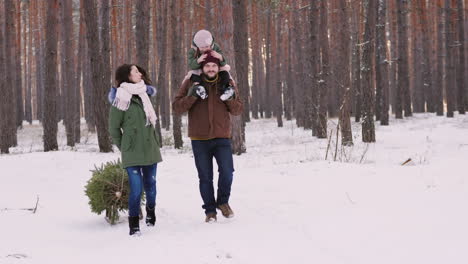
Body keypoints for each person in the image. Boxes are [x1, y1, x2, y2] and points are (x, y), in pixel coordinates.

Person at [172, 53, 243, 223]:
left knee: (227, 172)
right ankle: (210, 211)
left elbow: (238, 110)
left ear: (218, 68)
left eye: (214, 66)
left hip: (222, 137)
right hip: (199, 138)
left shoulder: (227, 82)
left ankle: (223, 202)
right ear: (202, 68)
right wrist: (193, 95)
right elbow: (176, 107)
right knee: (205, 177)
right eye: (207, 66)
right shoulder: (191, 82)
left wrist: (229, 97)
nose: (211, 69)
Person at [108, 64, 163, 236]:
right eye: (136, 71)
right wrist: (124, 146)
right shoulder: (120, 98)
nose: (140, 73)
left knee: (151, 186)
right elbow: (114, 129)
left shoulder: (144, 94)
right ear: (127, 76)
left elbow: (152, 122)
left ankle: (151, 212)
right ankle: (134, 225)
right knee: (136, 189)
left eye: (140, 71)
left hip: (150, 149)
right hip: (132, 152)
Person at [186, 29, 234, 101]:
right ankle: (200, 88)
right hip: (199, 68)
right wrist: (198, 61)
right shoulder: (193, 51)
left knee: (225, 74)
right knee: (193, 76)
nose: (205, 49)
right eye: (202, 47)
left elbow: (223, 62)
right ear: (197, 46)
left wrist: (220, 57)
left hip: (215, 67)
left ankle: (226, 90)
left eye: (207, 47)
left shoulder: (215, 47)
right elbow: (191, 65)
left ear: (211, 44)